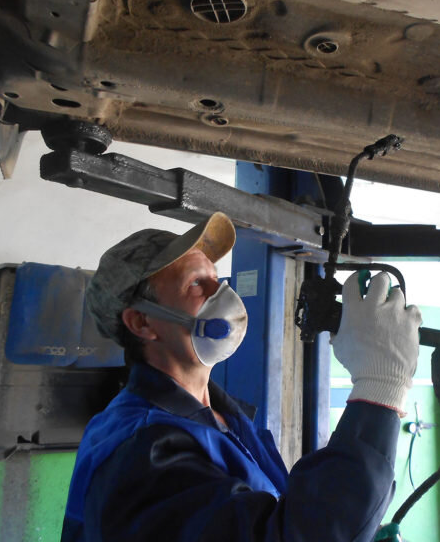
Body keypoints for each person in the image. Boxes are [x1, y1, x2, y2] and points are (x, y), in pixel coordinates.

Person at [61, 211, 421, 542]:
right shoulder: (141, 452)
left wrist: (356, 529)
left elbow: (275, 520)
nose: (222, 294)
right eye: (196, 284)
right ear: (142, 322)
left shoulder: (224, 420)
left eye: (215, 279)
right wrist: (380, 387)